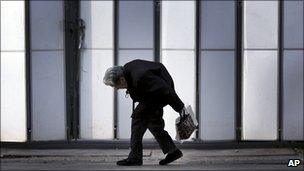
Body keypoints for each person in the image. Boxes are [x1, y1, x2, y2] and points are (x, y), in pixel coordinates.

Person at [103, 59, 186, 166]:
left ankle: (135, 158)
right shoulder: (128, 70)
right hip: (152, 94)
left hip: (158, 95)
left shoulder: (141, 77)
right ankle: (172, 151)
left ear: (122, 79)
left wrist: (180, 108)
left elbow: (166, 90)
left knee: (137, 120)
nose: (117, 89)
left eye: (115, 86)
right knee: (153, 123)